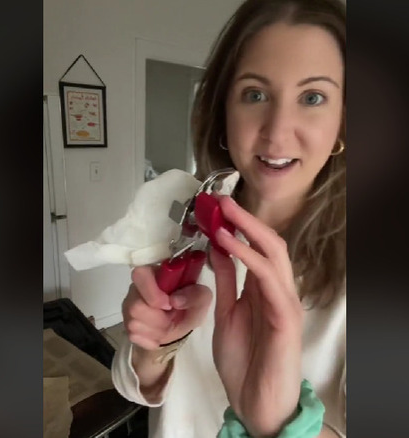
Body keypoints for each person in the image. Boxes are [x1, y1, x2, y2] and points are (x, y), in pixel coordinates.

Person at [112, 0, 346, 436]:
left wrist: (276, 422)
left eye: (312, 97)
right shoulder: (182, 226)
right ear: (223, 112)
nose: (277, 131)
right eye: (255, 94)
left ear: (343, 121)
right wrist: (155, 347)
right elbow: (134, 387)